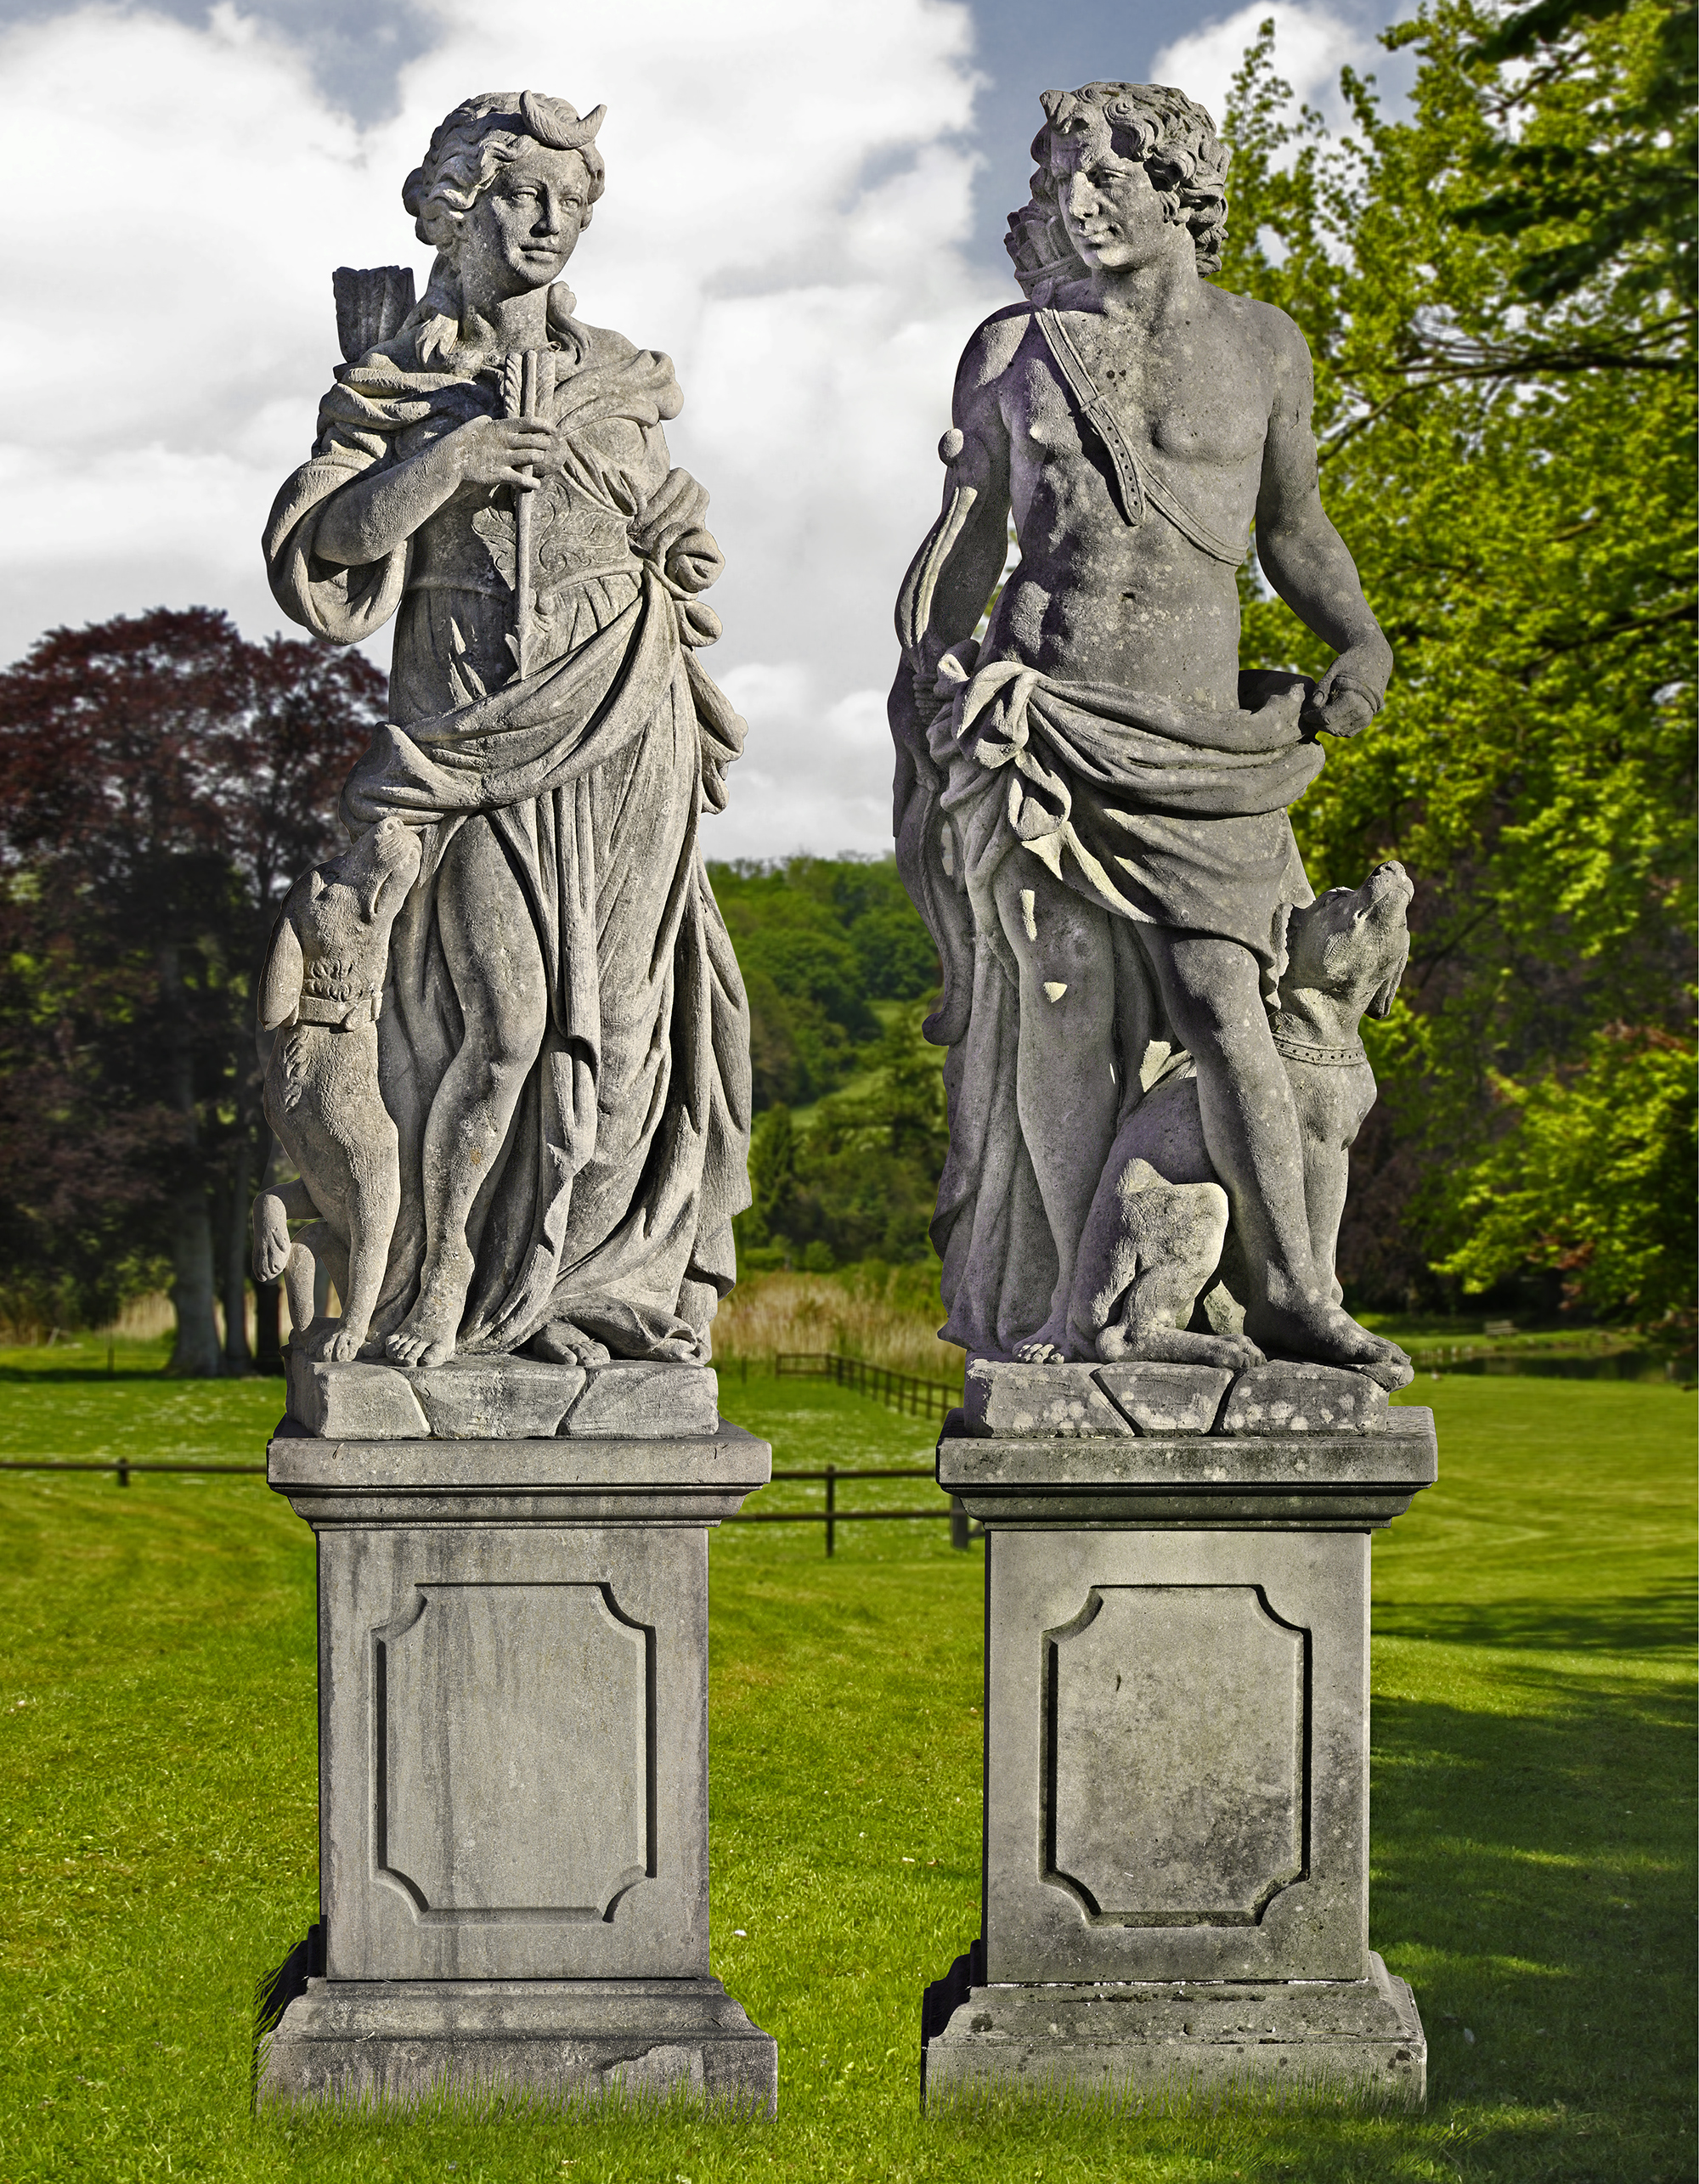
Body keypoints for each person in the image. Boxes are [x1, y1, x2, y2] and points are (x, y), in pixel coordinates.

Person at [890, 82, 1409, 1383]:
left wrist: (1360, 636)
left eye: (1105, 181)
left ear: (1179, 190)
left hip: (1202, 740)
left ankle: (1296, 1289)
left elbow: (1293, 528)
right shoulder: (1013, 349)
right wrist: (944, 667)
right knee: (1061, 1006)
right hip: (1050, 717)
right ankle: (1070, 1313)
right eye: (1062, 183)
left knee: (1230, 1002)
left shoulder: (1263, 346)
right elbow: (965, 553)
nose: (1077, 207)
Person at [264, 91, 750, 1368]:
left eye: (571, 201)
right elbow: (326, 546)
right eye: (523, 194)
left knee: (632, 1036)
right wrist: (451, 460)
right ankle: (449, 1286)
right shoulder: (398, 373)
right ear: (460, 204)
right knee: (508, 1022)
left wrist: (678, 536)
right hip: (470, 743)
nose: (550, 222)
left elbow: (666, 529)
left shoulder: (621, 377)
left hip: (626, 720)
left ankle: (582, 1292)